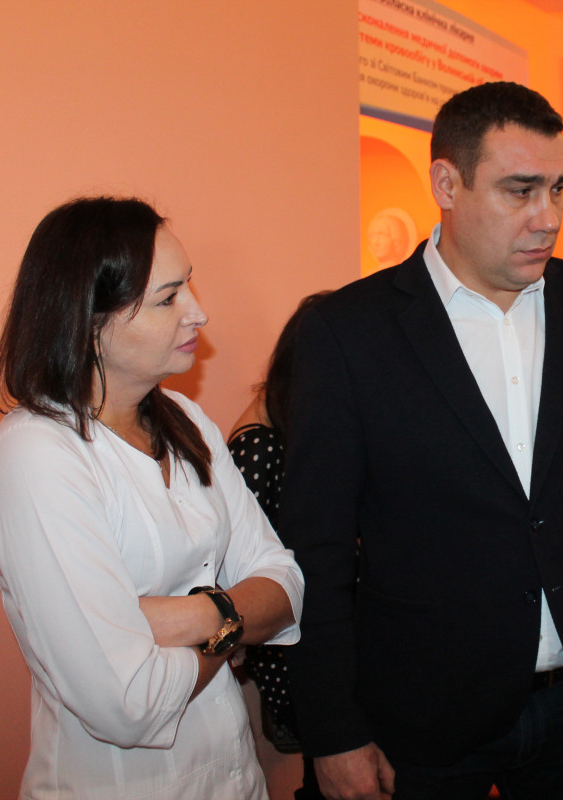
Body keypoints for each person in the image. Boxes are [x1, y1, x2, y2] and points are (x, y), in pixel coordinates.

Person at [279, 81, 563, 800]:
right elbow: (318, 547)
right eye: (520, 191)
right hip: (422, 713)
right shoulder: (348, 331)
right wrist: (333, 728)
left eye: (558, 189)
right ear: (446, 185)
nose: (547, 217)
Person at [0, 197, 304, 799]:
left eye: (189, 287)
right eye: (168, 298)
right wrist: (233, 622)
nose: (198, 312)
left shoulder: (188, 421)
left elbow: (286, 585)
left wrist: (184, 615)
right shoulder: (37, 456)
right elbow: (129, 703)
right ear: (89, 323)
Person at [227, 292, 331, 800]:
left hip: (313, 639)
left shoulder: (294, 425)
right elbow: (247, 568)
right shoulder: (258, 446)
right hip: (293, 649)